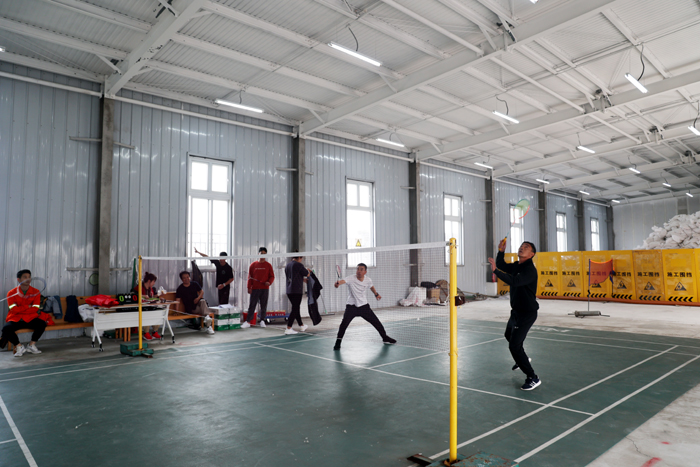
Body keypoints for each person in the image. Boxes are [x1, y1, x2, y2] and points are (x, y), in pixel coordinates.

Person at [488, 239, 540, 391]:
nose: (522, 248)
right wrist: (501, 251)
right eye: (521, 246)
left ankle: (533, 377)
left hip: (527, 313)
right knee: (508, 335)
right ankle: (522, 358)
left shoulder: (529, 270)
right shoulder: (517, 265)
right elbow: (502, 265)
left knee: (514, 346)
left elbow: (515, 281)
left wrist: (496, 271)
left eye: (526, 247)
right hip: (516, 311)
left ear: (532, 254)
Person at [333, 263, 396, 350]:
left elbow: (371, 287)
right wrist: (337, 284)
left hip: (363, 306)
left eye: (361, 269)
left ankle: (385, 338)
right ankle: (338, 342)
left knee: (376, 322)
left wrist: (376, 294)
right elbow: (341, 282)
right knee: (344, 325)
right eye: (357, 269)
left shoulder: (368, 280)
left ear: (365, 272)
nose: (358, 271)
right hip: (351, 307)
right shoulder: (351, 278)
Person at [1, 270, 46, 357]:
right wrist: (27, 306)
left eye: (29, 277)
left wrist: (20, 309)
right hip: (16, 319)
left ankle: (31, 345)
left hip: (30, 318)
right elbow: (13, 310)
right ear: (19, 279)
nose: (28, 279)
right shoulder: (11, 293)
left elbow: (35, 308)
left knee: (42, 324)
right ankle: (19, 346)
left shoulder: (36, 292)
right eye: (25, 277)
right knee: (6, 328)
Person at [243, 246, 275, 329]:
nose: (263, 255)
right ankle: (248, 321)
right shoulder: (253, 265)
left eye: (264, 254)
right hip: (255, 289)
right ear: (258, 254)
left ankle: (262, 321)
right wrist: (249, 287)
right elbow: (250, 277)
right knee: (252, 305)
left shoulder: (268, 265)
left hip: (265, 289)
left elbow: (272, 276)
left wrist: (269, 282)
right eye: (261, 253)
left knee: (263, 305)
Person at [175, 271, 215, 335]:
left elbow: (202, 291)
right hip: (191, 308)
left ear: (189, 277)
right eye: (184, 278)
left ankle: (207, 320)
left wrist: (198, 298)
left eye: (187, 277)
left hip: (198, 303)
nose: (186, 279)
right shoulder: (180, 288)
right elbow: (177, 301)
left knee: (202, 301)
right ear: (182, 279)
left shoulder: (194, 284)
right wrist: (176, 311)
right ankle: (208, 325)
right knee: (204, 310)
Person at [284, 255, 309, 335]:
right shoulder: (299, 265)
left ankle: (301, 325)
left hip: (289, 290)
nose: (301, 260)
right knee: (295, 308)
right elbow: (307, 274)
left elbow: (292, 276)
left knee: (296, 308)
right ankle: (288, 328)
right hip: (296, 290)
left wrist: (302, 279)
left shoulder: (287, 265)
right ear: (299, 258)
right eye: (301, 258)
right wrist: (309, 271)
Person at [133, 271, 162, 341]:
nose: (154, 283)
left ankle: (155, 331)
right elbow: (133, 296)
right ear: (149, 281)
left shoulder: (151, 289)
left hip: (150, 307)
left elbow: (152, 297)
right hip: (141, 309)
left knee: (158, 314)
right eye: (153, 281)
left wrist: (157, 296)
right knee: (147, 315)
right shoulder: (138, 288)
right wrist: (143, 296)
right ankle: (146, 332)